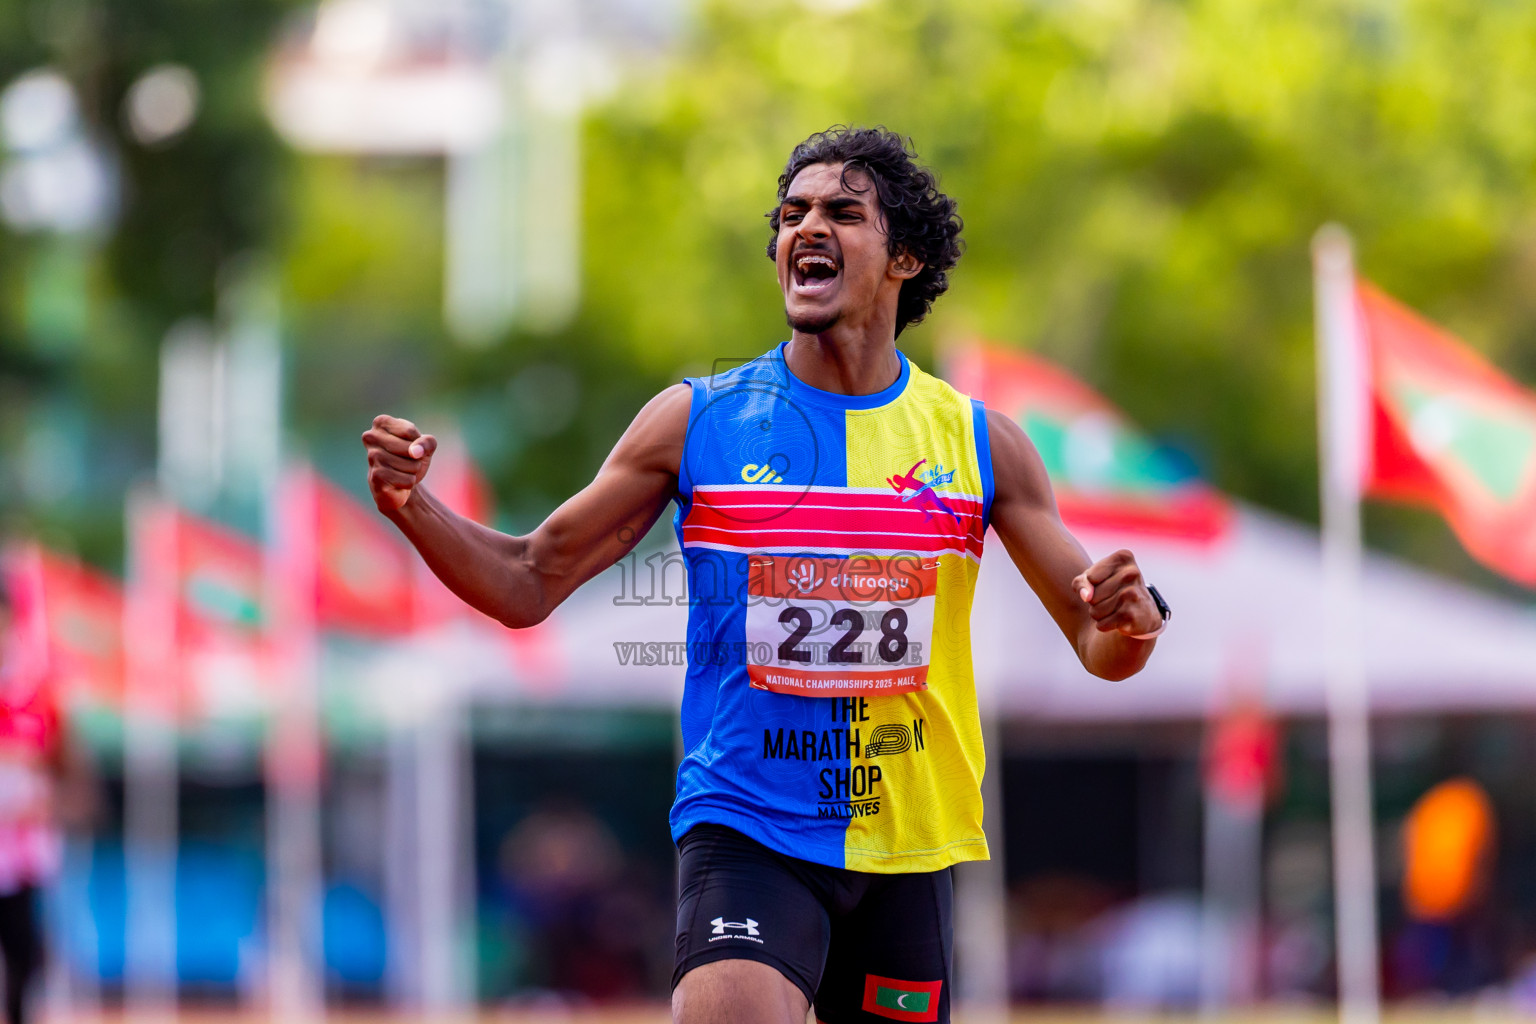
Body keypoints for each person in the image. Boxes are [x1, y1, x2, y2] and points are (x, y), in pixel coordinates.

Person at [363, 126, 1168, 1024]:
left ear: (903, 256)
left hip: (910, 842)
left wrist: (1131, 622)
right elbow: (527, 579)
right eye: (792, 215)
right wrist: (414, 507)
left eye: (841, 212)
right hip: (747, 823)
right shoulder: (696, 421)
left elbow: (1100, 646)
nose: (806, 228)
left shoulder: (981, 444)